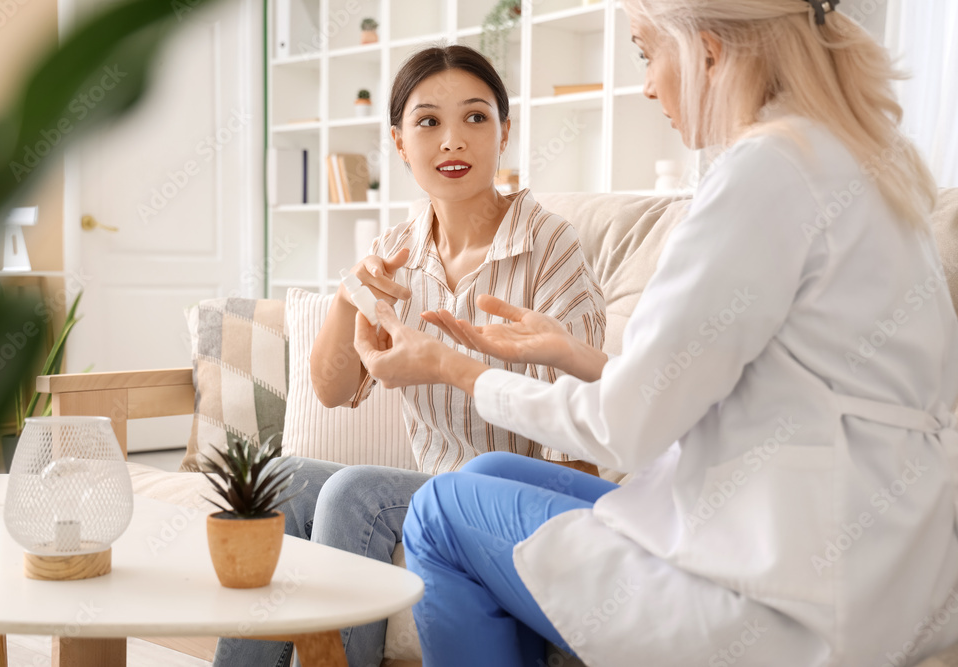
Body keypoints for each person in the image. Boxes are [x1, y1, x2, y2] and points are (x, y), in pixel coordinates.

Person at [353, 1, 958, 666]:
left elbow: (627, 428)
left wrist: (452, 367)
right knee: (491, 470)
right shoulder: (863, 159)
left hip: (781, 601)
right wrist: (574, 354)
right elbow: (720, 385)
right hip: (867, 571)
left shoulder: (767, 171)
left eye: (646, 52)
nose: (645, 84)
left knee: (439, 510)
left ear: (708, 52)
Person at [212, 45, 605, 667]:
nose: (453, 140)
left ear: (506, 131)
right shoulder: (397, 250)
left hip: (511, 500)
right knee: (278, 478)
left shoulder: (549, 245)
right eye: (428, 122)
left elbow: (580, 442)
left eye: (476, 118)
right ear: (399, 142)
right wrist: (349, 294)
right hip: (427, 490)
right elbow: (334, 390)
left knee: (352, 493)